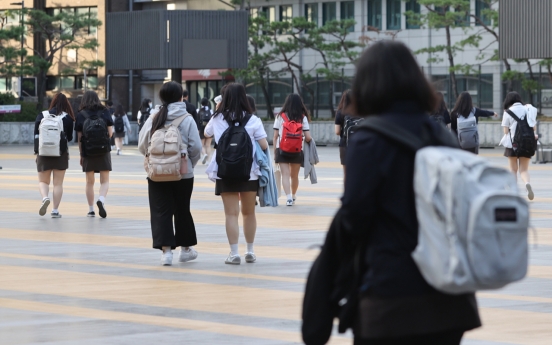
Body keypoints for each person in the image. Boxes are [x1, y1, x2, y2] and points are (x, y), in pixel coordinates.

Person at [344, 41, 481, 344]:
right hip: (448, 295)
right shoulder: (441, 136)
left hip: (390, 293)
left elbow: (354, 216)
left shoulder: (367, 141)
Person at [204, 83, 268, 265]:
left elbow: (206, 133)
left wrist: (217, 111)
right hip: (249, 173)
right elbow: (263, 145)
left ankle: (234, 253)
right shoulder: (253, 120)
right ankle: (250, 251)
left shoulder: (217, 118)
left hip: (225, 172)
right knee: (249, 213)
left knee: (231, 214)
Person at [138, 81, 202, 266]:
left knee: (160, 211)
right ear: (181, 97)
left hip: (156, 173)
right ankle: (186, 249)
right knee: (182, 209)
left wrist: (154, 160)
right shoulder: (187, 118)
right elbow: (196, 147)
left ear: (161, 98)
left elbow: (143, 144)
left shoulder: (154, 118)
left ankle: (166, 253)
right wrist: (189, 164)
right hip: (183, 172)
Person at [34, 93, 75, 218]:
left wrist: (37, 152)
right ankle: (55, 210)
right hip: (60, 153)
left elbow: (36, 136)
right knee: (58, 184)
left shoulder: (42, 115)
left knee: (43, 181)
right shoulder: (68, 118)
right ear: (66, 103)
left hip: (43, 153)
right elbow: (70, 138)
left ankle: (45, 198)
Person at [76, 90, 113, 218]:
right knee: (105, 180)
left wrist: (81, 154)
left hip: (88, 151)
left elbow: (80, 137)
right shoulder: (105, 111)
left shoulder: (81, 114)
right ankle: (101, 199)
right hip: (103, 150)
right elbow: (110, 133)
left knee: (89, 182)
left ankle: (91, 210)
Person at [273, 94, 312, 206]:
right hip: (297, 150)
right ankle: (294, 195)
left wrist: (275, 152)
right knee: (294, 176)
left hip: (282, 149)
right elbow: (308, 137)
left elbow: (275, 136)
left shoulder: (280, 116)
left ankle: (288, 198)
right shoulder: (302, 117)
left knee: (285, 174)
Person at [499, 91, 538, 200]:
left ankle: (514, 192)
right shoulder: (528, 109)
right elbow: (533, 128)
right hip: (527, 143)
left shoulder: (508, 112)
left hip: (513, 144)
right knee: (524, 170)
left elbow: (506, 131)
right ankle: (527, 184)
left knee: (513, 169)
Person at [334, 89, 354, 174]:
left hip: (344, 144)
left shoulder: (340, 112)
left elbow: (337, 131)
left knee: (346, 173)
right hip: (360, 144)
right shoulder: (361, 111)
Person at [197, 97, 213, 164]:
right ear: (208, 103)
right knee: (208, 145)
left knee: (201, 145)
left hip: (201, 129)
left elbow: (197, 121)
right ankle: (208, 161)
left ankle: (204, 154)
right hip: (209, 129)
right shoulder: (211, 111)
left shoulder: (198, 110)